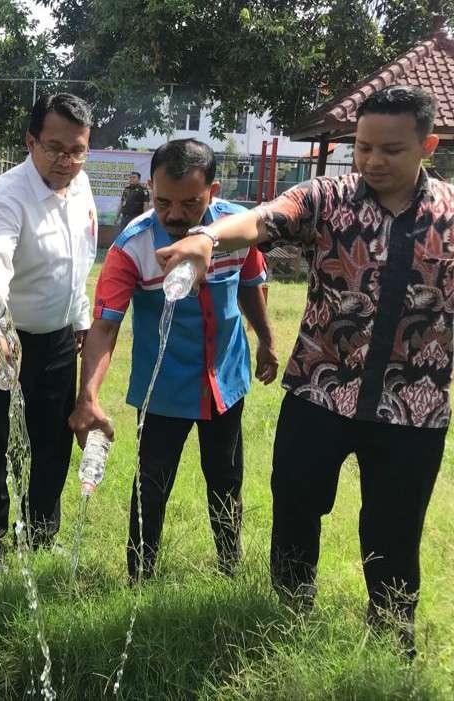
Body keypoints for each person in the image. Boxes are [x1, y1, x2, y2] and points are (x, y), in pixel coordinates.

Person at [157, 85, 451, 655]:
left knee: (395, 529)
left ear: (427, 146)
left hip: (414, 409)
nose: (372, 161)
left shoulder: (450, 214)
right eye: (363, 147)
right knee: (294, 506)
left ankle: (393, 638)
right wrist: (206, 238)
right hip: (320, 391)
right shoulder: (331, 196)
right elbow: (265, 219)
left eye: (390, 149)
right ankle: (288, 621)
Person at [68, 138, 276, 582]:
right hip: (163, 391)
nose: (175, 215)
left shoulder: (236, 229)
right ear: (150, 188)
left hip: (226, 381)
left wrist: (267, 341)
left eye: (191, 203)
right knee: (152, 486)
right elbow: (105, 326)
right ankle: (139, 577)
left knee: (226, 478)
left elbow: (251, 283)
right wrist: (88, 396)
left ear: (213, 191)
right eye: (163, 202)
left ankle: (229, 567)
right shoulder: (133, 246)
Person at [0, 93, 98, 558]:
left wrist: (79, 317)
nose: (67, 161)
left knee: (52, 440)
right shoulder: (6, 196)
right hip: (3, 339)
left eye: (78, 150)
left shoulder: (80, 186)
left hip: (59, 339)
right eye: (55, 148)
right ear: (30, 141)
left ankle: (42, 534)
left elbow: (79, 260)